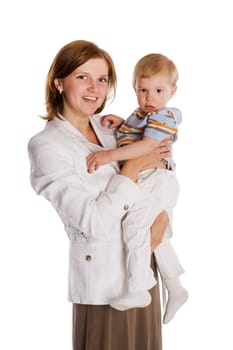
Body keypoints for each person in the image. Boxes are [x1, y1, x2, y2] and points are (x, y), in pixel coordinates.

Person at [28, 40, 173, 350]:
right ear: (59, 82)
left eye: (103, 79)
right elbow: (92, 222)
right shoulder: (47, 146)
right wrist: (131, 168)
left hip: (143, 270)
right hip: (104, 284)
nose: (94, 87)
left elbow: (158, 179)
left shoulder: (113, 130)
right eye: (83, 77)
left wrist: (163, 221)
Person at [86, 53, 189, 324]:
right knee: (153, 234)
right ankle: (176, 287)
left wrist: (109, 156)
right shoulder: (143, 115)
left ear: (172, 91)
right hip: (150, 177)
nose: (149, 97)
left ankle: (139, 287)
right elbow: (139, 135)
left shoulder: (166, 115)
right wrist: (122, 125)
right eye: (143, 90)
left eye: (158, 90)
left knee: (133, 226)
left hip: (156, 176)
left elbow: (146, 147)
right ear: (134, 87)